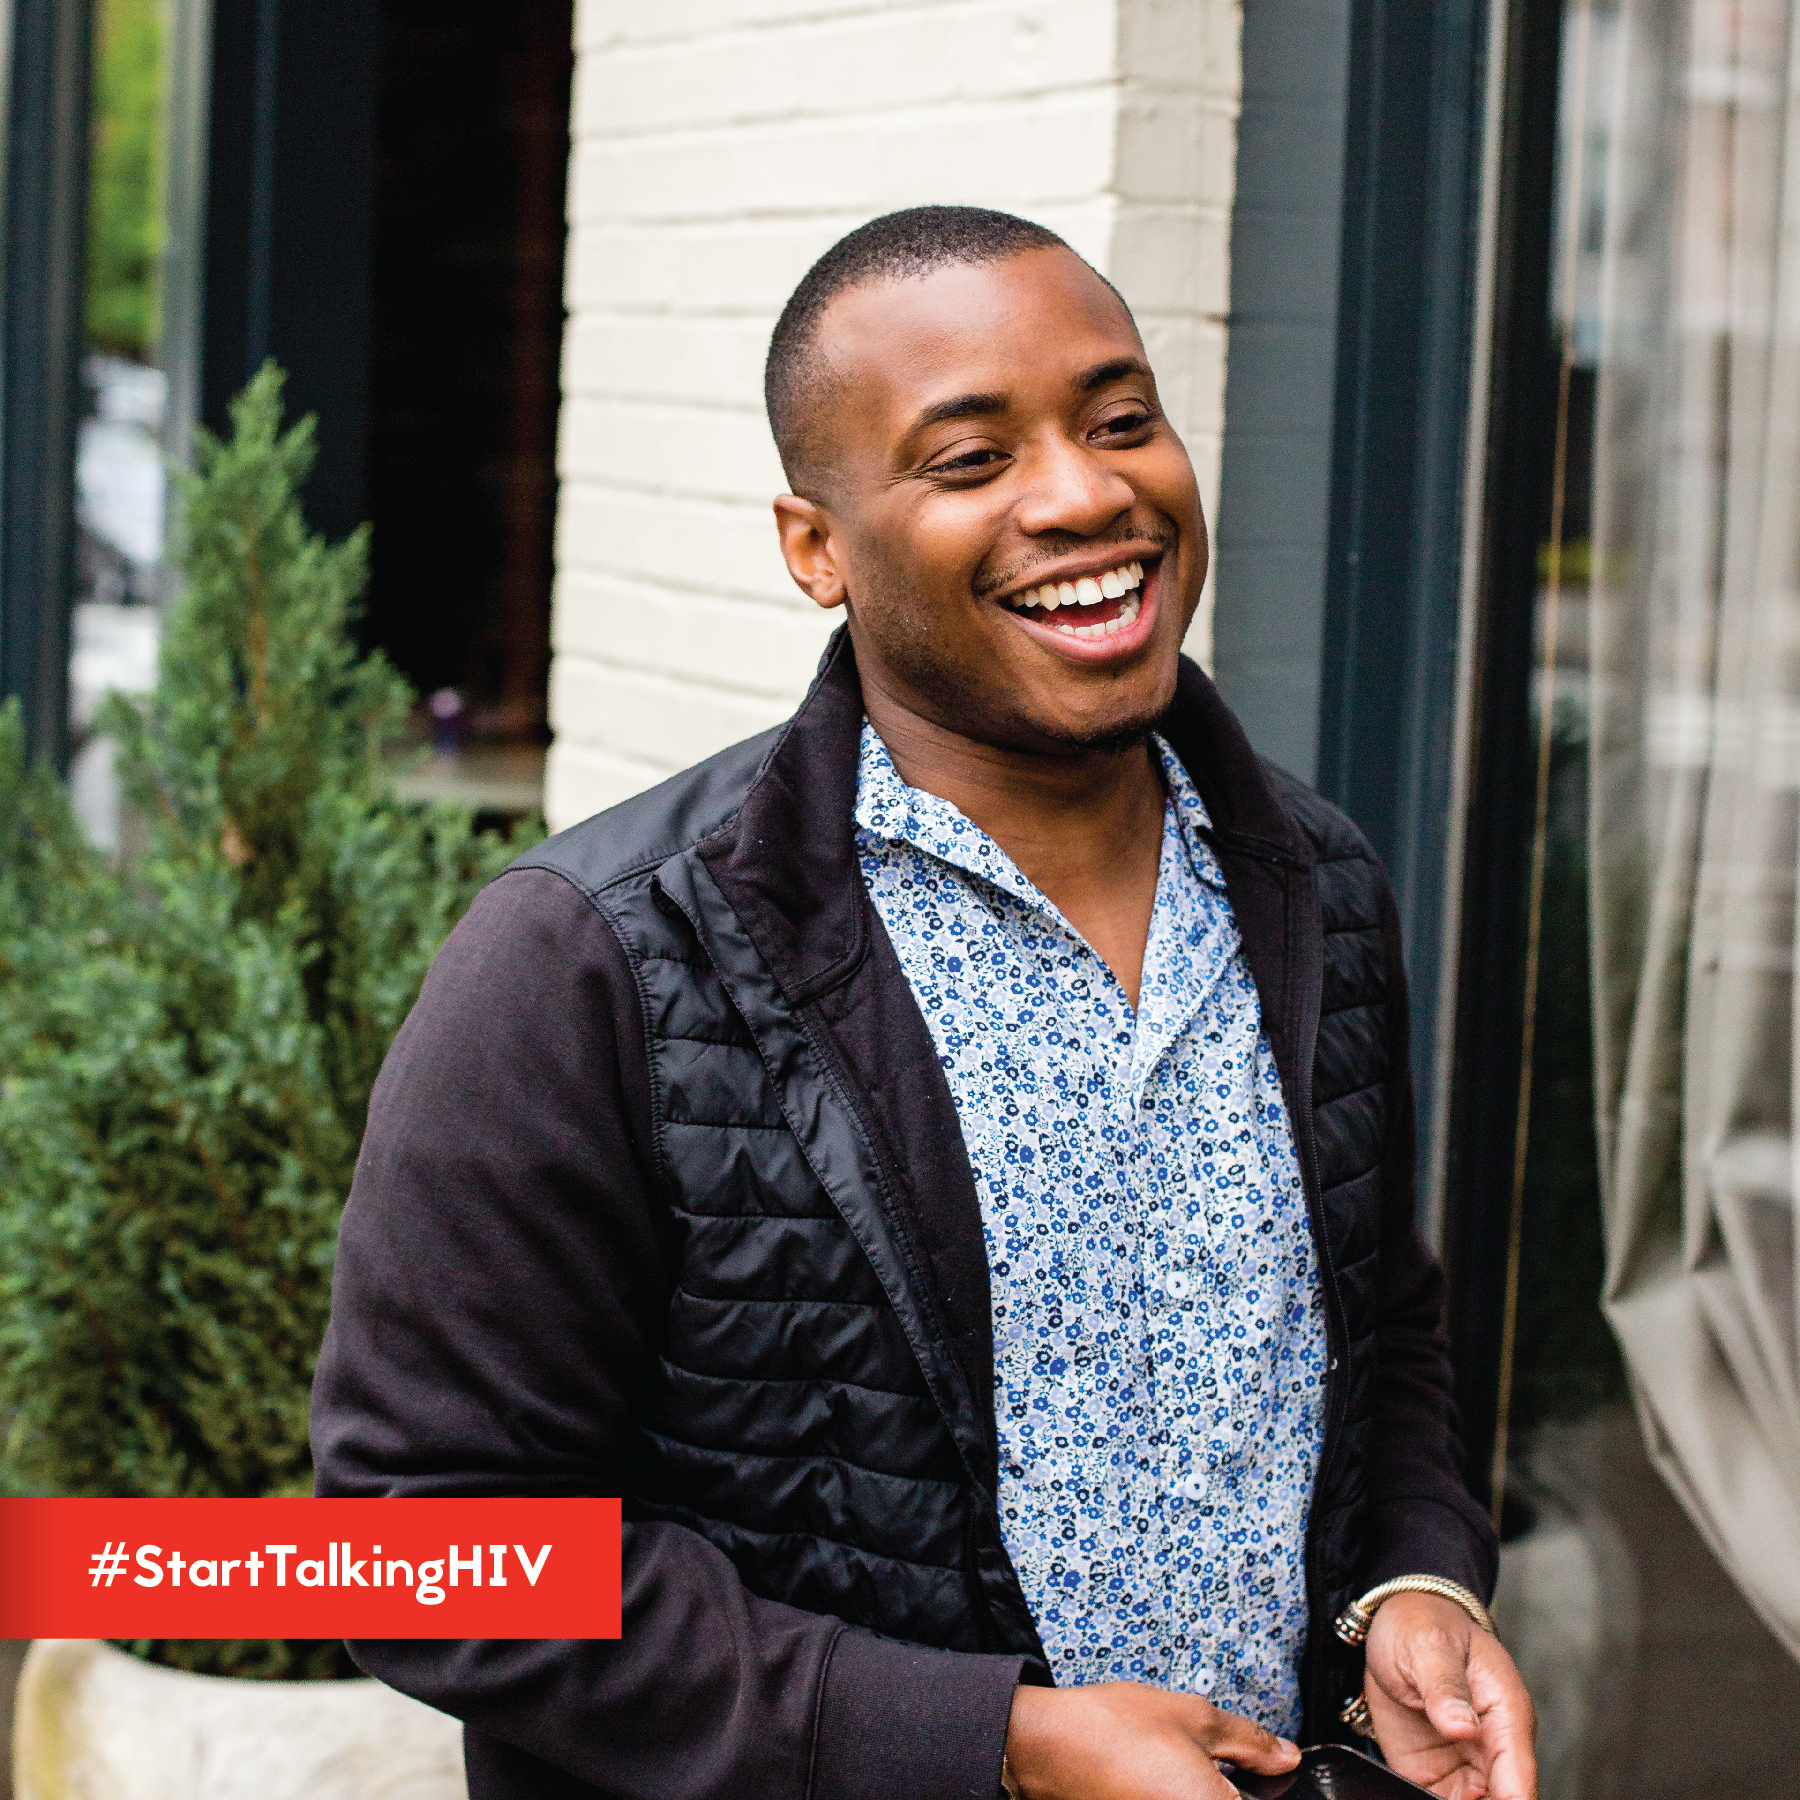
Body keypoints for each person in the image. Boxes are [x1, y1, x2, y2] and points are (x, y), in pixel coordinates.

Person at [312, 205, 1535, 1800]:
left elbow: (1379, 1330)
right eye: (969, 461)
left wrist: (1419, 1583)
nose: (1088, 493)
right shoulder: (591, 958)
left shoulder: (1315, 880)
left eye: (1120, 423)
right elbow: (417, 1544)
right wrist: (996, 1747)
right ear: (816, 545)